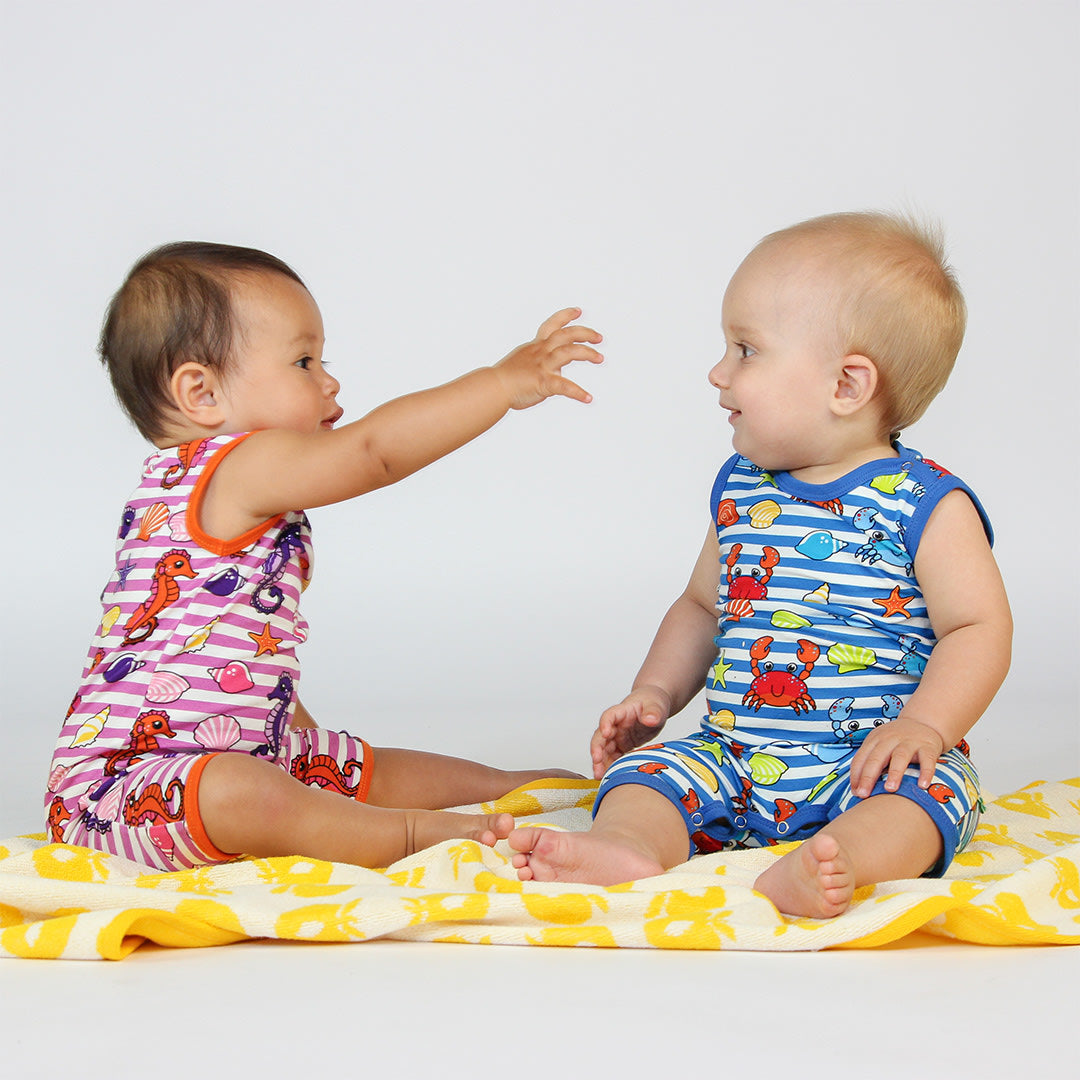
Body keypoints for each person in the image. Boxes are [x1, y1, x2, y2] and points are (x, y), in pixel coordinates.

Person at [509, 211, 1012, 918]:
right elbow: (700, 607)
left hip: (870, 765)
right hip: (736, 757)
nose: (718, 372)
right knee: (645, 776)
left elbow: (979, 629)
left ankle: (839, 864)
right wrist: (654, 693)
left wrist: (925, 728)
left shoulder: (927, 503)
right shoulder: (744, 487)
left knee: (930, 802)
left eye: (746, 350)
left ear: (847, 385)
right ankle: (627, 844)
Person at [46, 241, 602, 872]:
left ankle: (513, 787)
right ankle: (410, 836)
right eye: (304, 362)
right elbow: (373, 453)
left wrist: (295, 735)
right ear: (201, 394)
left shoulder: (187, 486)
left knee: (354, 763)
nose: (330, 381)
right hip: (119, 794)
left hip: (233, 750)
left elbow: (229, 653)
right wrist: (500, 383)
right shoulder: (237, 464)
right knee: (246, 791)